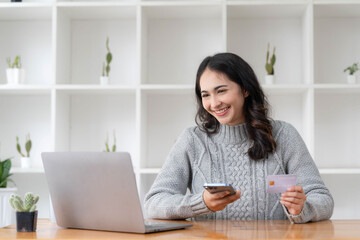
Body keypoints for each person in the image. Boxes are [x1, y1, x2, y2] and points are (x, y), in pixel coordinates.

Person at [144, 52, 334, 223]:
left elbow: (322, 198)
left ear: (245, 89)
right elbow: (154, 202)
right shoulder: (192, 140)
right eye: (206, 95)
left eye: (221, 91)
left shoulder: (283, 135)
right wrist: (200, 203)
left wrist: (302, 208)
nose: (214, 103)